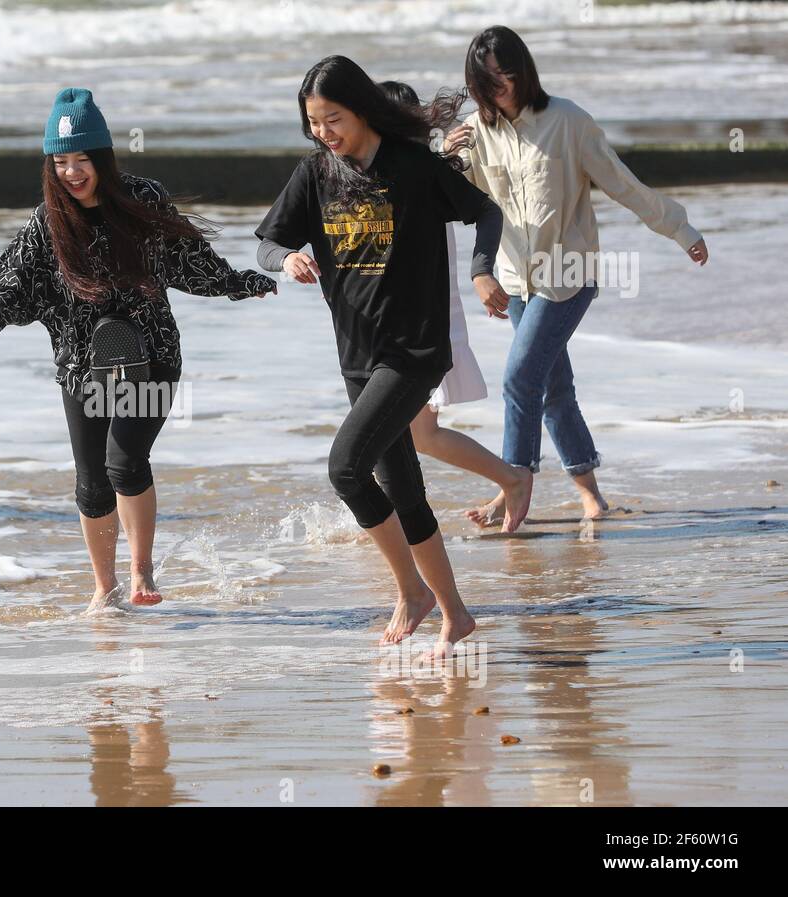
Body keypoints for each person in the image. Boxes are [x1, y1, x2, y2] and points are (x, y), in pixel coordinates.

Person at [0, 88, 275, 610]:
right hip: (80, 361)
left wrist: (239, 283)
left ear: (102, 157)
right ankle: (103, 588)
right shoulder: (49, 220)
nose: (71, 172)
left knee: (125, 461)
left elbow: (189, 260)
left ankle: (141, 570)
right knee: (91, 483)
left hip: (149, 354)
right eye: (60, 161)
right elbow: (15, 278)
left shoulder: (142, 200)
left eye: (81, 159)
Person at [255, 57, 503, 652]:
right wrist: (285, 260)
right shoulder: (315, 174)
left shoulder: (413, 168)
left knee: (345, 469)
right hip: (357, 356)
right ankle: (455, 614)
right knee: (404, 491)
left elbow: (485, 212)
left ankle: (411, 593)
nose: (324, 133)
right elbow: (267, 241)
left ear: (362, 111)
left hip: (413, 351)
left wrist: (481, 270)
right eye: (313, 123)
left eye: (332, 119)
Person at [449, 26, 709, 530]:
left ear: (525, 72)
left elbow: (622, 183)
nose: (500, 87)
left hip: (569, 273)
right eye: (489, 80)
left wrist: (679, 227)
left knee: (520, 378)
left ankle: (511, 485)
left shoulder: (567, 121)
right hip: (515, 279)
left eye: (508, 75)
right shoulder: (474, 132)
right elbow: (464, 206)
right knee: (553, 388)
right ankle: (591, 494)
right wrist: (448, 159)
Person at [379, 80, 534, 535]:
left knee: (415, 435)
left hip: (423, 321)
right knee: (399, 435)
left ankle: (511, 478)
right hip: (390, 323)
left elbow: (482, 207)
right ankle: (396, 518)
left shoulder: (422, 173)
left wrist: (443, 155)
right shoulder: (393, 168)